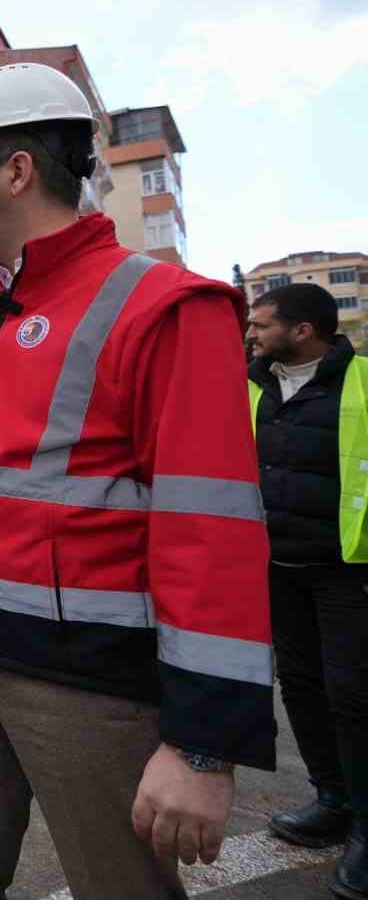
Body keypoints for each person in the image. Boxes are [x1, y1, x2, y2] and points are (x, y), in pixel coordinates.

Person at [0, 62, 275, 900]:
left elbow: (212, 536)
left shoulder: (165, 309)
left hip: (86, 687)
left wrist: (202, 745)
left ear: (16, 170)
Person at [246, 283, 368, 898]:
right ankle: (333, 802)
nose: (252, 333)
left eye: (262, 324)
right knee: (300, 686)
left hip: (350, 570)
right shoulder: (252, 385)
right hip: (278, 567)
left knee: (354, 695)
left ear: (302, 331)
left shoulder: (363, 382)